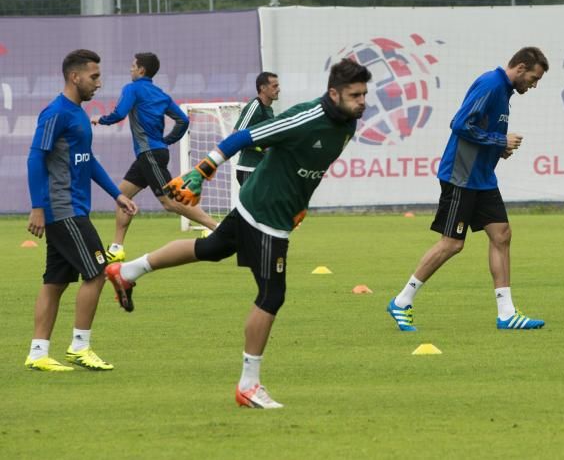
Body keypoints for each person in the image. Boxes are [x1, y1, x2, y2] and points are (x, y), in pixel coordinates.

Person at [105, 59, 371, 408]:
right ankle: (248, 385)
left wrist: (300, 204)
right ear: (334, 93)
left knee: (212, 247)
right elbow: (244, 136)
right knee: (272, 295)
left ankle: (126, 271)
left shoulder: (347, 124)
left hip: (271, 209)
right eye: (355, 95)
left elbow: (309, 168)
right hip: (264, 213)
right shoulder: (307, 117)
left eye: (365, 94)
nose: (362, 101)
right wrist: (203, 170)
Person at [387, 47, 548, 332]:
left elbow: (479, 131)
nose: (534, 85)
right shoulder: (491, 84)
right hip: (461, 176)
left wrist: (498, 149)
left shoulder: (504, 92)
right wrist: (500, 141)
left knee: (502, 235)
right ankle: (402, 301)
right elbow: (460, 124)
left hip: (482, 178)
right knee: (452, 244)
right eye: (534, 78)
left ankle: (507, 313)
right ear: (521, 68)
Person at [25, 50, 138, 372]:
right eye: (94, 77)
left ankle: (38, 352)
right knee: (99, 271)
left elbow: (87, 161)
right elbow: (35, 158)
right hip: (63, 208)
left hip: (73, 207)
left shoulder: (75, 114)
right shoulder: (55, 113)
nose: (98, 84)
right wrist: (37, 207)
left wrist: (117, 194)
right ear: (75, 77)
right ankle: (79, 347)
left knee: (55, 282)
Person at [92, 52, 218, 261]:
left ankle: (216, 227)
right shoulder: (160, 94)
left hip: (149, 154)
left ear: (141, 70)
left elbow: (120, 113)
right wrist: (167, 141)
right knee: (122, 195)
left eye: (133, 65)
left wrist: (101, 119)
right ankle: (116, 248)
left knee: (169, 202)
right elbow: (183, 121)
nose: (130, 69)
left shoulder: (131, 88)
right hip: (152, 153)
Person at [234, 72, 280, 185]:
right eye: (275, 86)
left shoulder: (268, 109)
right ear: (263, 88)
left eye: (278, 86)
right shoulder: (255, 106)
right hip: (249, 169)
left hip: (262, 169)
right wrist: (260, 147)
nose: (279, 89)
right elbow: (235, 136)